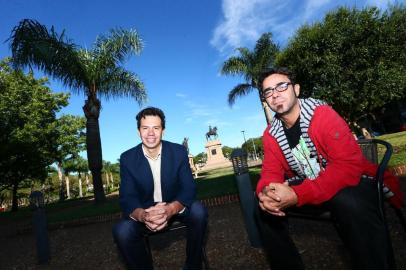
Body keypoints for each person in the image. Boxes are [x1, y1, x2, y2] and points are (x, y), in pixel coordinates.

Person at [254, 67, 403, 270]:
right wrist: (265, 193)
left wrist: (297, 194)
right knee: (262, 208)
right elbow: (270, 172)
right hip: (311, 185)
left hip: (351, 181)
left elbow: (347, 168)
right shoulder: (271, 134)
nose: (275, 94)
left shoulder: (322, 114)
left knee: (350, 202)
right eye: (268, 91)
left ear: (296, 89)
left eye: (281, 86)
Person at [112, 107, 208, 270]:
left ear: (163, 130)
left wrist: (170, 209)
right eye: (145, 128)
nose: (151, 133)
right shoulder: (127, 158)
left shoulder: (178, 151)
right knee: (122, 231)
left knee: (199, 212)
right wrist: (143, 215)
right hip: (145, 211)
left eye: (156, 128)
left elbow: (188, 188)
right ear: (138, 131)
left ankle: (193, 265)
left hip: (175, 206)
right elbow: (127, 197)